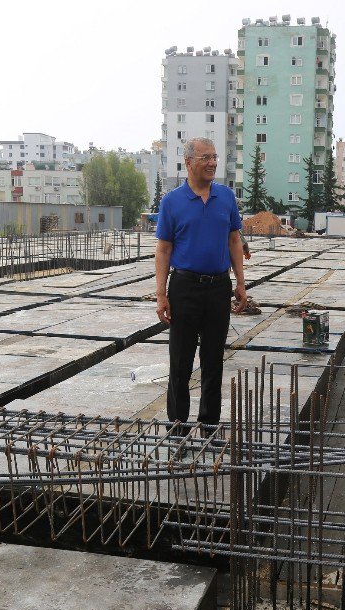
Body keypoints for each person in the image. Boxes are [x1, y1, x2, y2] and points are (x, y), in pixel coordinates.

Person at [155, 137, 247, 428]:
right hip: (184, 288)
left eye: (215, 157)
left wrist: (240, 283)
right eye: (206, 158)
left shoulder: (226, 197)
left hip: (218, 287)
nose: (212, 163)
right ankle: (178, 424)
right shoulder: (172, 202)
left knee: (213, 360)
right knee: (180, 361)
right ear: (189, 163)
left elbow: (234, 240)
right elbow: (164, 249)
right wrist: (161, 294)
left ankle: (209, 424)